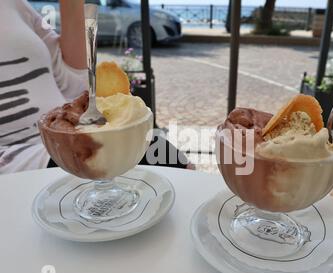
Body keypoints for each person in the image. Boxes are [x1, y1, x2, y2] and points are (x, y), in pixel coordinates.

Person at [0, 0, 190, 174]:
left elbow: (74, 82)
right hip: (18, 160)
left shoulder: (15, 4)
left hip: (72, 130)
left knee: (168, 155)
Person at [0, 0, 87, 174]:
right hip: (17, 163)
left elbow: (76, 85)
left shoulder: (14, 4)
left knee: (152, 144)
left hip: (68, 139)